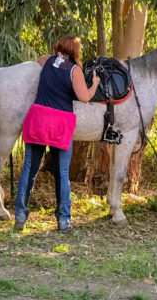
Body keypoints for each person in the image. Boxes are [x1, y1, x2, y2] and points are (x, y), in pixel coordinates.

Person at [13, 35, 98, 233]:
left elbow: (39, 60)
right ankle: (63, 221)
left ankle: (20, 217)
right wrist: (94, 83)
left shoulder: (47, 60)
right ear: (75, 51)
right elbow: (84, 97)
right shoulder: (75, 70)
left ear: (59, 47)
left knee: (29, 169)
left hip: (38, 119)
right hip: (60, 123)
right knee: (62, 173)